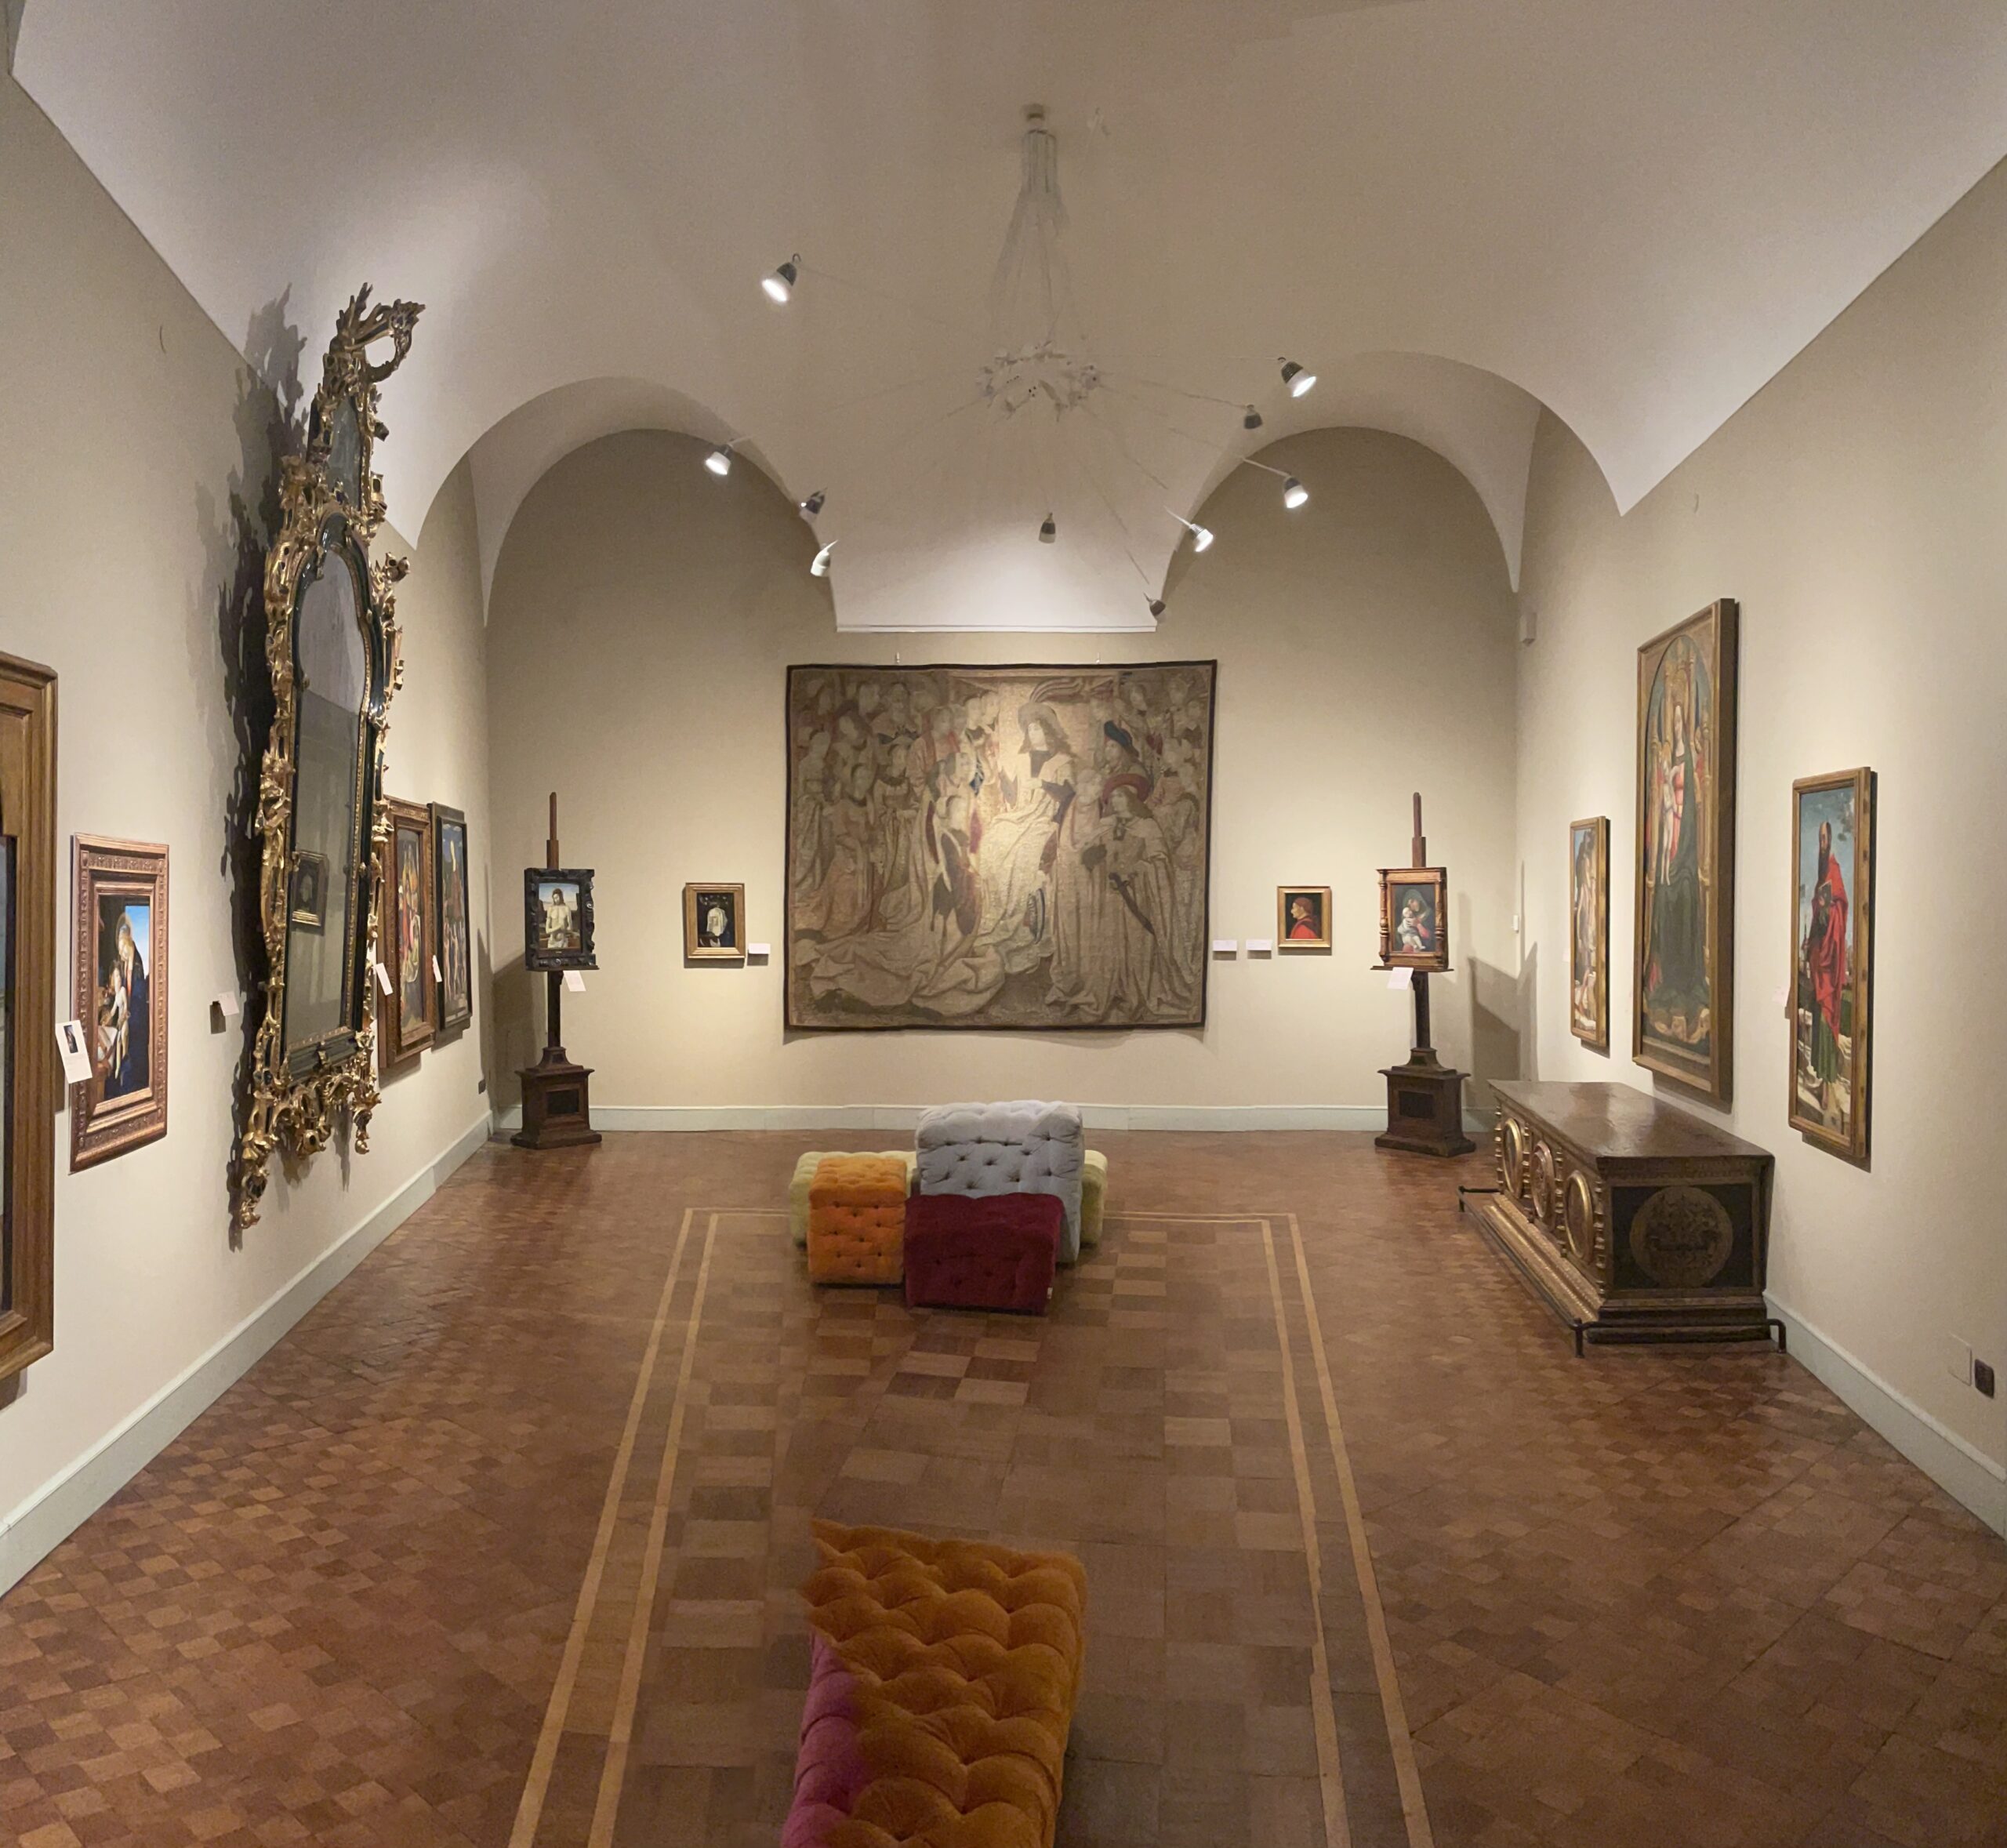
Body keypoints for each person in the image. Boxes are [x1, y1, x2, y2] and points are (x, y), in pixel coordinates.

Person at [1802, 818, 1850, 1120]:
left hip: (1829, 963)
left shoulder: (1833, 870)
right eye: (1818, 838)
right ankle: (1822, 1083)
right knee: (1819, 1022)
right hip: (1819, 959)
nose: (1821, 843)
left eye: (1824, 838)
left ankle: (1830, 1086)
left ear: (1830, 840)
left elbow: (1840, 909)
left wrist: (1826, 907)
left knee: (1826, 1020)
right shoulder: (1822, 874)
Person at [96, 909, 150, 1098]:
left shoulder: (137, 966)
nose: (121, 953)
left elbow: (137, 998)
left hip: (135, 1025)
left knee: (129, 1062)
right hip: (124, 1021)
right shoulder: (123, 967)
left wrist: (126, 1015)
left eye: (122, 948)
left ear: (129, 944)